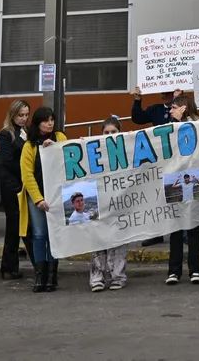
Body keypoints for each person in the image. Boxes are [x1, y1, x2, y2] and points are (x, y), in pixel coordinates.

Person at [21, 106, 67, 293]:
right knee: (40, 235)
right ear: (37, 123)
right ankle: (40, 275)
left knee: (54, 234)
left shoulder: (60, 138)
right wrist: (38, 199)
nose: (50, 123)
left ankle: (52, 276)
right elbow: (27, 175)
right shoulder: (30, 145)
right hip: (38, 197)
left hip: (56, 195)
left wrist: (54, 149)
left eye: (52, 119)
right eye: (45, 120)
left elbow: (68, 159)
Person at [165, 95, 199, 285]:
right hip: (174, 178)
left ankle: (195, 269)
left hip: (194, 178)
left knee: (193, 225)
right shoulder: (169, 127)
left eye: (173, 107)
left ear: (184, 107)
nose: (170, 111)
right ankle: (174, 270)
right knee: (175, 226)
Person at [88, 116, 128, 292]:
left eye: (114, 132)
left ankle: (117, 276)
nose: (110, 135)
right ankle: (97, 277)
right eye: (106, 132)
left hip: (119, 200)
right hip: (98, 201)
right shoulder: (92, 150)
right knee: (98, 239)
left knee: (118, 239)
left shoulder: (128, 149)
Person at [0, 99, 31, 280]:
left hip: (23, 183)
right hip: (12, 184)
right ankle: (8, 267)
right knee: (14, 225)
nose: (24, 118)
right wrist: (25, 173)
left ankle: (12, 266)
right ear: (13, 115)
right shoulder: (6, 134)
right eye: (20, 115)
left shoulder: (26, 132)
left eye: (26, 115)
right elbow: (7, 161)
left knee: (23, 225)